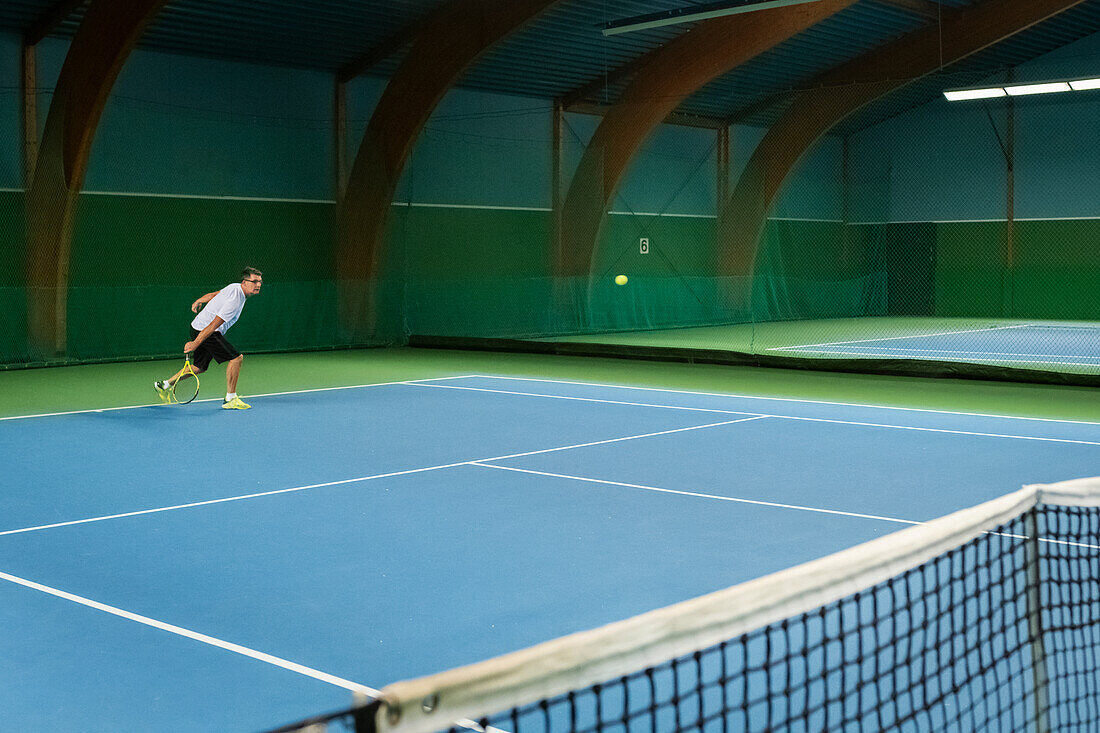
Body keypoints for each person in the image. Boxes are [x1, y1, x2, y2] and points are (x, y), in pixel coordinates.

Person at [155, 267, 263, 409]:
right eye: (254, 281)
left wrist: (200, 300)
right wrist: (195, 343)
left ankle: (165, 385)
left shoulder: (235, 287)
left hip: (197, 326)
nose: (258, 285)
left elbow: (215, 294)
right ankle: (230, 398)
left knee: (199, 367)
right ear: (244, 282)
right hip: (205, 330)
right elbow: (213, 325)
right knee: (236, 358)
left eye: (260, 281)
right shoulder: (235, 299)